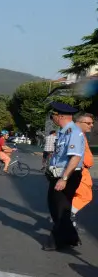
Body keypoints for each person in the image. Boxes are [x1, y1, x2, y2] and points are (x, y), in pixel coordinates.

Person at [44, 102, 85, 250]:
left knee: (60, 209)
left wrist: (64, 178)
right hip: (59, 174)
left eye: (53, 116)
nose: (52, 118)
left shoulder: (73, 132)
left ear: (60, 116)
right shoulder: (63, 132)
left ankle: (56, 241)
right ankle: (71, 237)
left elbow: (75, 158)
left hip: (68, 175)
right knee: (56, 206)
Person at [71, 112, 95, 231]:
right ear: (79, 122)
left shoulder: (77, 133)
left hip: (79, 169)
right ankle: (67, 216)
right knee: (85, 196)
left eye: (92, 123)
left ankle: (69, 219)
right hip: (79, 170)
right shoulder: (77, 134)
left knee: (74, 195)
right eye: (88, 123)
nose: (91, 125)